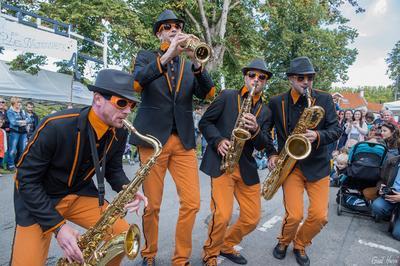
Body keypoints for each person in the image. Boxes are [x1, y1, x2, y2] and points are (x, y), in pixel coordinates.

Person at [11, 69, 148, 266]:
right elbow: (25, 179)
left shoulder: (120, 131)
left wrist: (128, 189)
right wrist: (58, 228)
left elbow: (113, 170)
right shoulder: (55, 125)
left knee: (123, 236)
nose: (128, 110)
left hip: (79, 194)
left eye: (132, 105)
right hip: (39, 200)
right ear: (98, 99)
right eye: (121, 103)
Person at [129, 9, 215, 266]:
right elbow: (135, 84)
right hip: (152, 141)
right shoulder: (146, 57)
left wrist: (198, 64)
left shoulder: (190, 65)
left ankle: (180, 259)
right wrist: (168, 55)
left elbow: (209, 94)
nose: (174, 29)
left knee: (191, 203)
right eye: (167, 27)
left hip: (184, 141)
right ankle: (149, 253)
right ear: (159, 34)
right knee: (152, 205)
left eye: (177, 26)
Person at [265, 56, 342, 266]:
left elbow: (336, 130)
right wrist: (271, 153)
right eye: (301, 78)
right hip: (290, 167)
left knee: (320, 217)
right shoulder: (276, 102)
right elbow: (265, 131)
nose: (306, 82)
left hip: (318, 166)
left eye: (310, 78)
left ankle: (300, 244)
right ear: (291, 79)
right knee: (294, 215)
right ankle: (283, 242)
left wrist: (317, 136)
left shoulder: (324, 99)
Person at [199, 59, 272, 265]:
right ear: (245, 77)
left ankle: (226, 244)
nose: (256, 80)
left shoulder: (265, 111)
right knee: (222, 215)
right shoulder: (227, 96)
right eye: (252, 75)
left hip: (246, 167)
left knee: (252, 218)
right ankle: (210, 253)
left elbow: (262, 144)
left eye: (261, 77)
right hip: (223, 164)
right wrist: (218, 140)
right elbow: (205, 122)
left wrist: (256, 129)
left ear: (265, 82)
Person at [372, 155, 400, 240]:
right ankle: (393, 214)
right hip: (391, 196)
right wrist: (381, 189)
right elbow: (381, 179)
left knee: (397, 235)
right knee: (377, 206)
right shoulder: (392, 161)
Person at [6, 97, 31, 171]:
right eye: (18, 102)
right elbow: (13, 122)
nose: (20, 104)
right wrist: (24, 122)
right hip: (14, 132)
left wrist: (21, 122)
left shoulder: (22, 111)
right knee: (13, 150)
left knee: (22, 149)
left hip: (23, 133)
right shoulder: (10, 111)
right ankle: (10, 165)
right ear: (14, 103)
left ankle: (19, 164)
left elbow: (29, 119)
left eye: (20, 102)